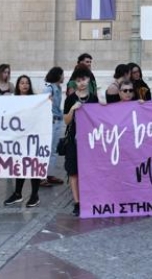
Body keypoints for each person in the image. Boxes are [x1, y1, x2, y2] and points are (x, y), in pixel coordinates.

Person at [63, 67, 98, 216]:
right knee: (73, 172)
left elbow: (98, 119)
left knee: (89, 171)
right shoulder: (70, 99)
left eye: (84, 79)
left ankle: (89, 199)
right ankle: (77, 202)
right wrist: (72, 109)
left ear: (88, 80)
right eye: (78, 80)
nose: (81, 83)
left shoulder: (93, 98)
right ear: (74, 82)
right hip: (74, 140)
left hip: (90, 141)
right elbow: (66, 121)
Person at [3, 75, 42, 208]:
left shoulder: (36, 100)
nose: (25, 85)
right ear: (18, 86)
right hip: (19, 138)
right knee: (20, 165)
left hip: (33, 137)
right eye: (22, 83)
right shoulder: (13, 100)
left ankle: (34, 195)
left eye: (27, 83)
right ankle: (17, 193)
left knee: (34, 164)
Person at [43, 67, 66, 186]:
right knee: (48, 149)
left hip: (58, 119)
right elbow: (44, 103)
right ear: (57, 75)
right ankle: (43, 176)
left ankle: (50, 174)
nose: (63, 77)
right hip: (51, 121)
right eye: (62, 74)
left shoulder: (58, 88)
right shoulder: (49, 88)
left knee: (54, 149)